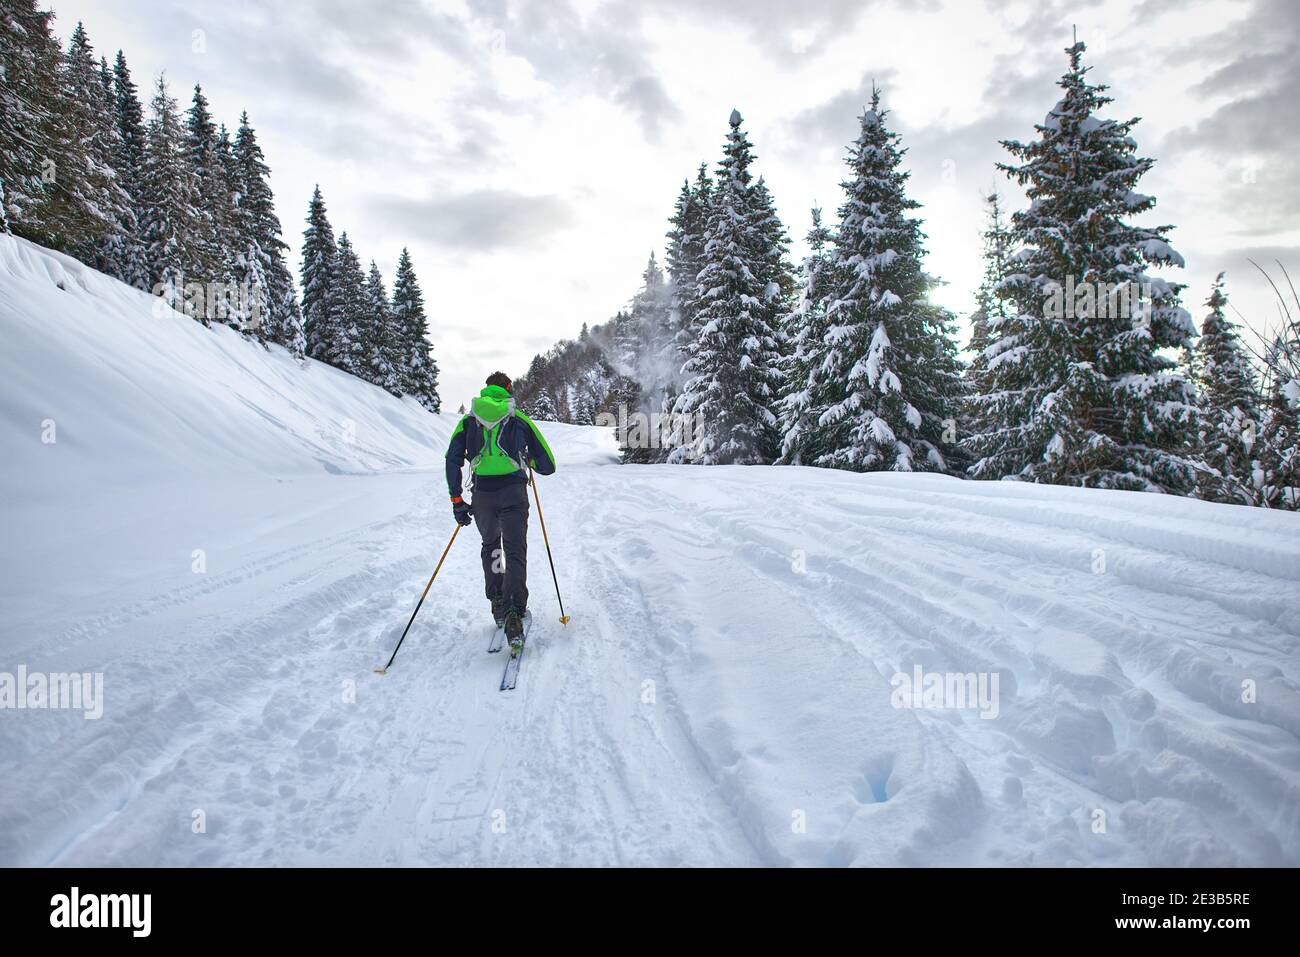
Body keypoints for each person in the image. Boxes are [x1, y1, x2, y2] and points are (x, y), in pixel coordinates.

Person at [445, 372, 556, 647]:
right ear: (508, 388)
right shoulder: (518, 418)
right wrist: (528, 459)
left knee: (491, 544)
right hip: (513, 494)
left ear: (486, 390)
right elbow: (548, 464)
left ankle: (498, 604)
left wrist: (457, 499)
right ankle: (516, 612)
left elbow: (452, 460)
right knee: (515, 550)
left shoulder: (468, 420)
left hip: (483, 495)